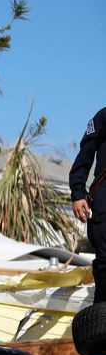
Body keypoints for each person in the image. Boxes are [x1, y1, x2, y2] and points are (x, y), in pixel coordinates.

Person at [70, 107, 106, 302]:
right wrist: (78, 193)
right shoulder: (103, 116)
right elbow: (85, 155)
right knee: (105, 261)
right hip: (104, 193)